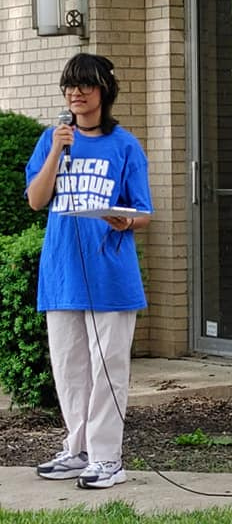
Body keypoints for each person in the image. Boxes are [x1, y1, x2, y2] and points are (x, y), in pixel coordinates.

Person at [27, 53, 153, 490]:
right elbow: (37, 200)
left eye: (85, 85)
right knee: (69, 368)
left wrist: (125, 220)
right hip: (61, 275)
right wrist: (58, 150)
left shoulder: (125, 146)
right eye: (69, 86)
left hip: (110, 277)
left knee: (107, 369)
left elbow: (144, 212)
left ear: (104, 91)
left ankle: (107, 458)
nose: (75, 93)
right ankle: (77, 448)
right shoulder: (52, 140)